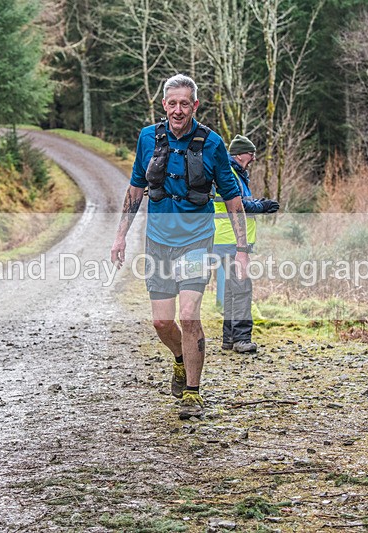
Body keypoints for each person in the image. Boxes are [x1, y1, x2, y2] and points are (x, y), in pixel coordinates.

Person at [111, 74, 250, 420]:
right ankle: (179, 359)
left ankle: (192, 392)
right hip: (158, 242)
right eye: (172, 103)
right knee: (162, 323)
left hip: (195, 243)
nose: (177, 110)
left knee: (189, 315)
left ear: (195, 106)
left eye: (184, 103)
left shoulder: (213, 144)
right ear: (164, 105)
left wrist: (243, 249)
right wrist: (120, 236)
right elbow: (135, 191)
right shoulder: (147, 138)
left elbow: (233, 200)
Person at [213, 135, 280, 353]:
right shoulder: (230, 174)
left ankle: (229, 338)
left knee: (233, 289)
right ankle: (242, 339)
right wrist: (263, 206)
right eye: (251, 153)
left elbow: (243, 201)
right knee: (242, 287)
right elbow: (239, 206)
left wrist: (259, 203)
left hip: (225, 240)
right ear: (241, 154)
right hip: (231, 240)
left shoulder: (234, 174)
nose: (253, 157)